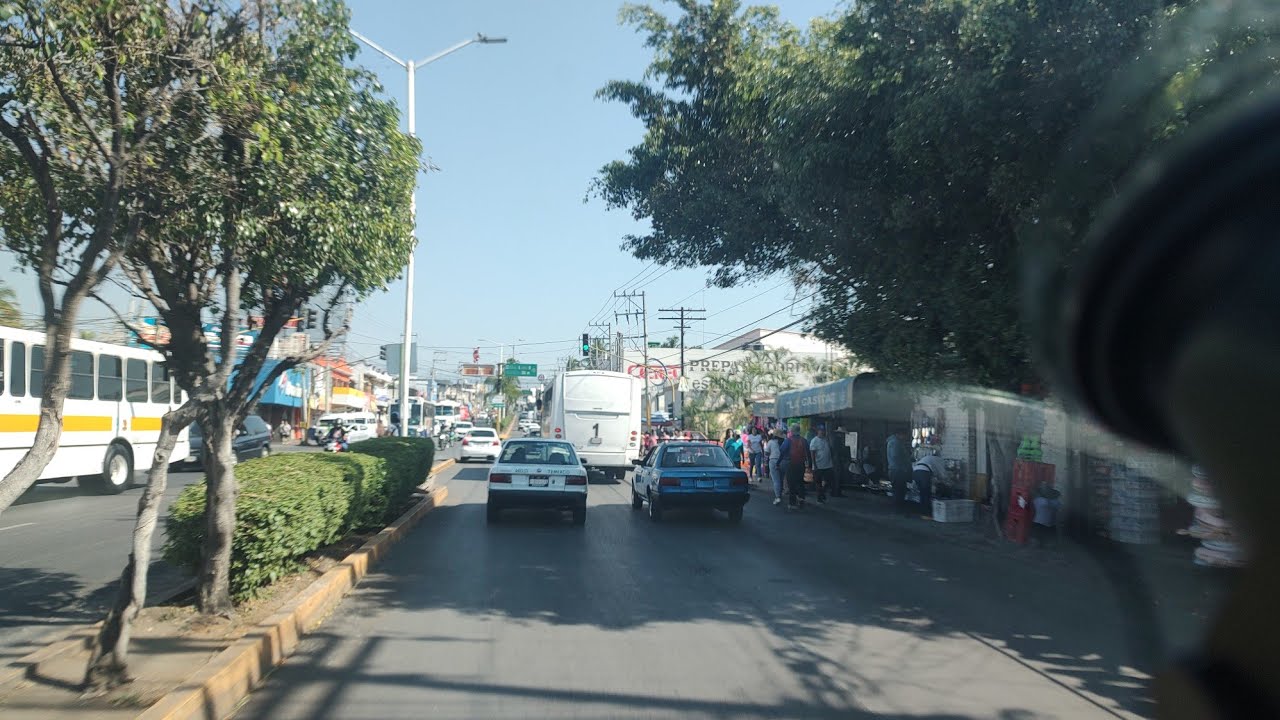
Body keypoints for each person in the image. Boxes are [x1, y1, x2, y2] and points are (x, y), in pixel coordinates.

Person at [912, 449, 947, 519]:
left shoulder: (928, 458)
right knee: (927, 493)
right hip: (924, 473)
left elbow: (934, 472)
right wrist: (946, 481)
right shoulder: (940, 460)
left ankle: (922, 512)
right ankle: (927, 513)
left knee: (922, 493)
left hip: (915, 472)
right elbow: (941, 473)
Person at [781, 423, 809, 509]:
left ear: (792, 431)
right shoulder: (804, 440)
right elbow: (808, 452)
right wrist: (809, 464)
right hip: (801, 464)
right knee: (800, 482)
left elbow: (782, 450)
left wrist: (778, 462)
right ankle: (801, 499)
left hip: (791, 464)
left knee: (791, 483)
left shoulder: (788, 440)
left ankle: (792, 503)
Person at [887, 430, 913, 515]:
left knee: (897, 490)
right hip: (897, 470)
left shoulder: (892, 442)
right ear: (899, 434)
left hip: (894, 469)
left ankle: (897, 508)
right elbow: (896, 456)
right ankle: (898, 509)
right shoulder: (895, 443)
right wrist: (904, 465)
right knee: (899, 490)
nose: (905, 438)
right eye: (904, 436)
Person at [809, 424, 835, 504]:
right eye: (821, 430)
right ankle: (819, 497)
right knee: (818, 482)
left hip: (828, 464)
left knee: (828, 480)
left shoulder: (826, 439)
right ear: (817, 431)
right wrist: (814, 464)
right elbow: (812, 453)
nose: (822, 432)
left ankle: (822, 493)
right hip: (818, 465)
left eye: (823, 430)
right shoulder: (814, 441)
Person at [1032, 480, 1061, 548]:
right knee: (1047, 534)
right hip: (1049, 522)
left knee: (1039, 533)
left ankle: (1039, 543)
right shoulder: (1054, 502)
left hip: (1039, 521)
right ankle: (1048, 543)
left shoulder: (1038, 500)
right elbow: (1057, 507)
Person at [767, 428, 785, 506]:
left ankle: (778, 497)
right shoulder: (784, 442)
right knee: (781, 479)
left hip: (773, 460)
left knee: (776, 480)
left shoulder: (771, 442)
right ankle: (780, 494)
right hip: (782, 461)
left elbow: (767, 452)